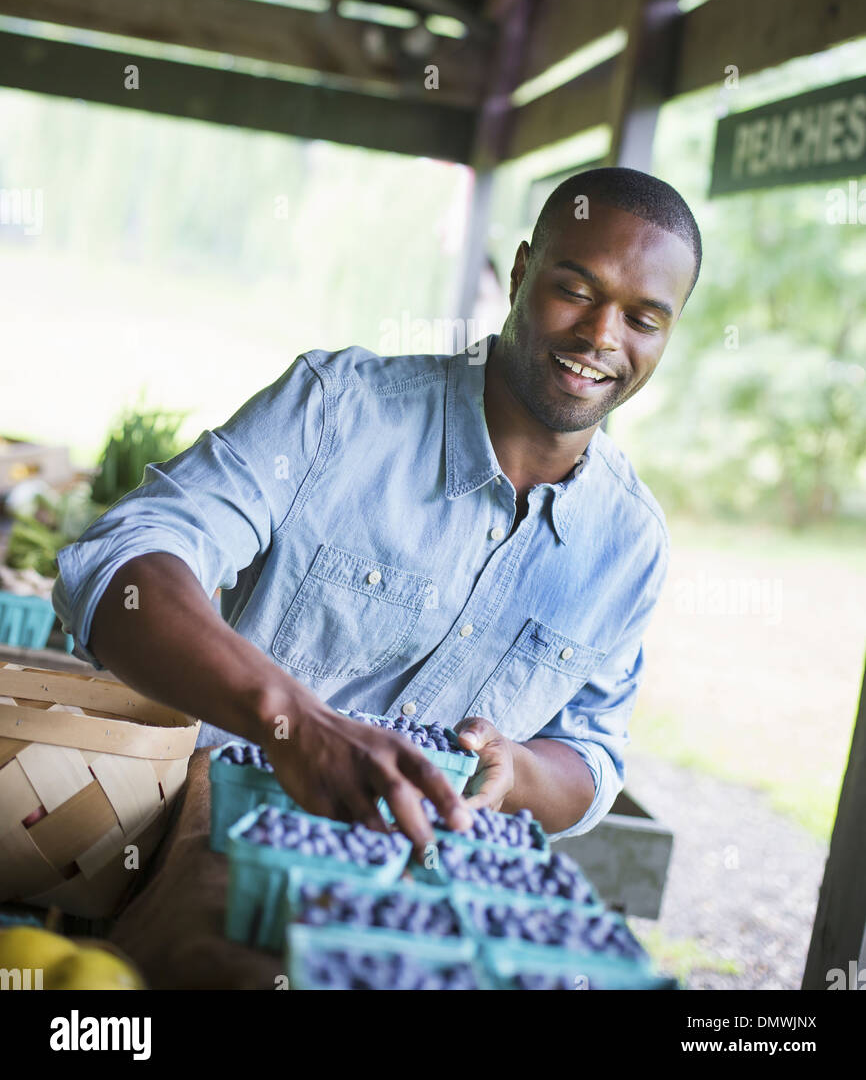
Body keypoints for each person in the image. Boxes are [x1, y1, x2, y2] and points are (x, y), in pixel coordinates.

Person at [54, 166, 701, 856]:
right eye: (575, 291)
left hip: (405, 909)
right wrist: (296, 723)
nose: (602, 335)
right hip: (201, 859)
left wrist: (522, 773)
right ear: (520, 274)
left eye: (642, 319)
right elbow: (120, 563)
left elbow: (593, 753)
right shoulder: (335, 410)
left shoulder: (631, 543)